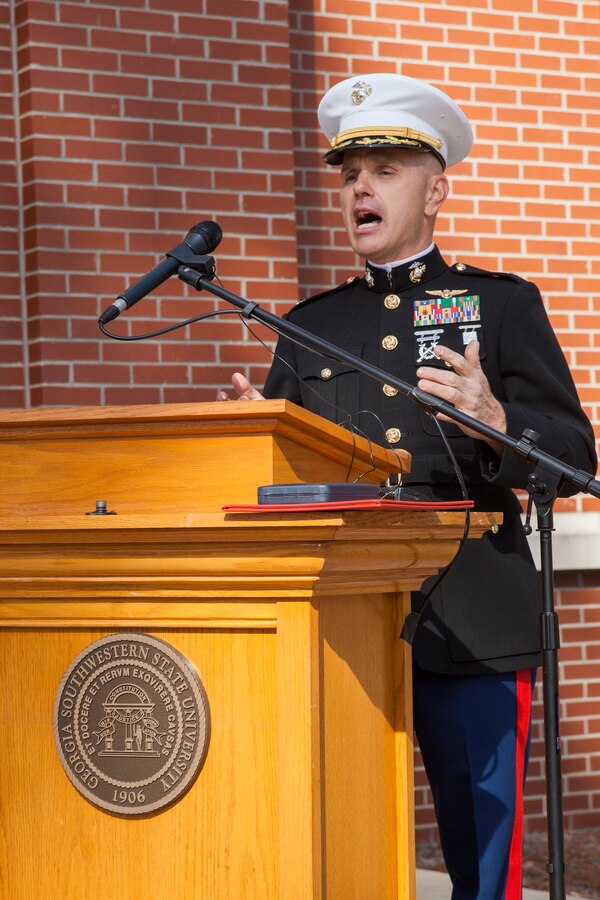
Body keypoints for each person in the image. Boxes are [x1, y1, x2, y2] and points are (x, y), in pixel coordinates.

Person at [217, 73, 597, 899]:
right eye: (351, 172)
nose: (360, 185)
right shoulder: (310, 325)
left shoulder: (499, 307)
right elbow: (286, 479)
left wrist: (497, 417)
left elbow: (575, 456)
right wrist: (256, 440)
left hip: (472, 616)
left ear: (437, 191)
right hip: (343, 621)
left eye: (386, 169)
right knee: (331, 841)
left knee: (479, 859)